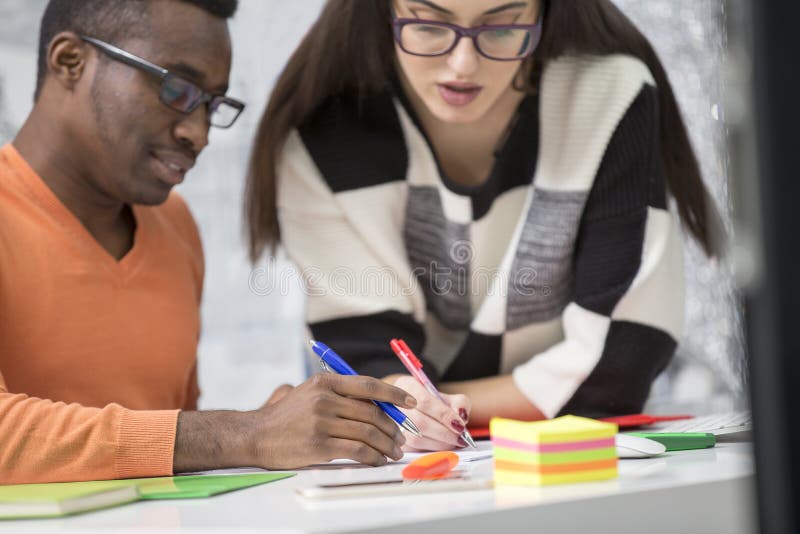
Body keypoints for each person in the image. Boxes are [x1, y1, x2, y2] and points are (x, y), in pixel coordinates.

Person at [245, 0, 722, 451]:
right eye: (430, 25)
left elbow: (620, 363)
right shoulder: (322, 141)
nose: (463, 65)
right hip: (417, 476)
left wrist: (413, 408)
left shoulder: (608, 96)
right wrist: (397, 395)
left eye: (502, 27)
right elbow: (366, 356)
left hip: (578, 454)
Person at [0, 0, 414, 485]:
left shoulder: (173, 227)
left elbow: (162, 450)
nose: (198, 134)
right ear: (70, 60)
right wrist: (245, 434)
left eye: (213, 105)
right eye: (176, 89)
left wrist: (274, 426)